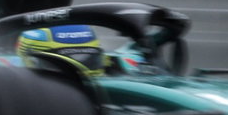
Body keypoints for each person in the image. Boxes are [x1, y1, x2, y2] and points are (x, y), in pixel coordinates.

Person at [16, 23, 155, 75]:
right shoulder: (7, 74)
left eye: (88, 59)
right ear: (33, 60)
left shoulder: (124, 62)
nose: (85, 72)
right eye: (69, 61)